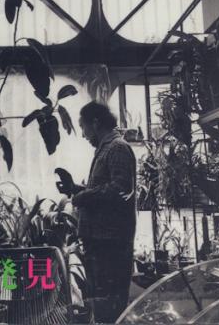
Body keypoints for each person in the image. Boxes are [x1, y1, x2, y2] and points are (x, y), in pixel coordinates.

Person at [58, 101, 136, 324]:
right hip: (102, 241)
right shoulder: (107, 149)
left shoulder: (117, 148)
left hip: (111, 244)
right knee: (101, 304)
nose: (83, 134)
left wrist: (82, 197)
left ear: (95, 123)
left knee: (109, 305)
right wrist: (76, 189)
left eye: (83, 127)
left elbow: (120, 189)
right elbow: (106, 189)